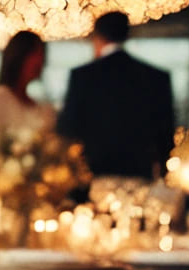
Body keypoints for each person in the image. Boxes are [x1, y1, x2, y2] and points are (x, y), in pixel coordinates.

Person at [57, 11, 176, 178]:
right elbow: (165, 134)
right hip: (139, 173)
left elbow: (68, 128)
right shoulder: (156, 77)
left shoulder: (83, 76)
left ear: (97, 38)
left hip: (93, 173)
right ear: (126, 35)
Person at [0, 30, 56, 133]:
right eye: (35, 53)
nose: (39, 59)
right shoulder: (0, 97)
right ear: (19, 56)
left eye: (41, 54)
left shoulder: (42, 106)